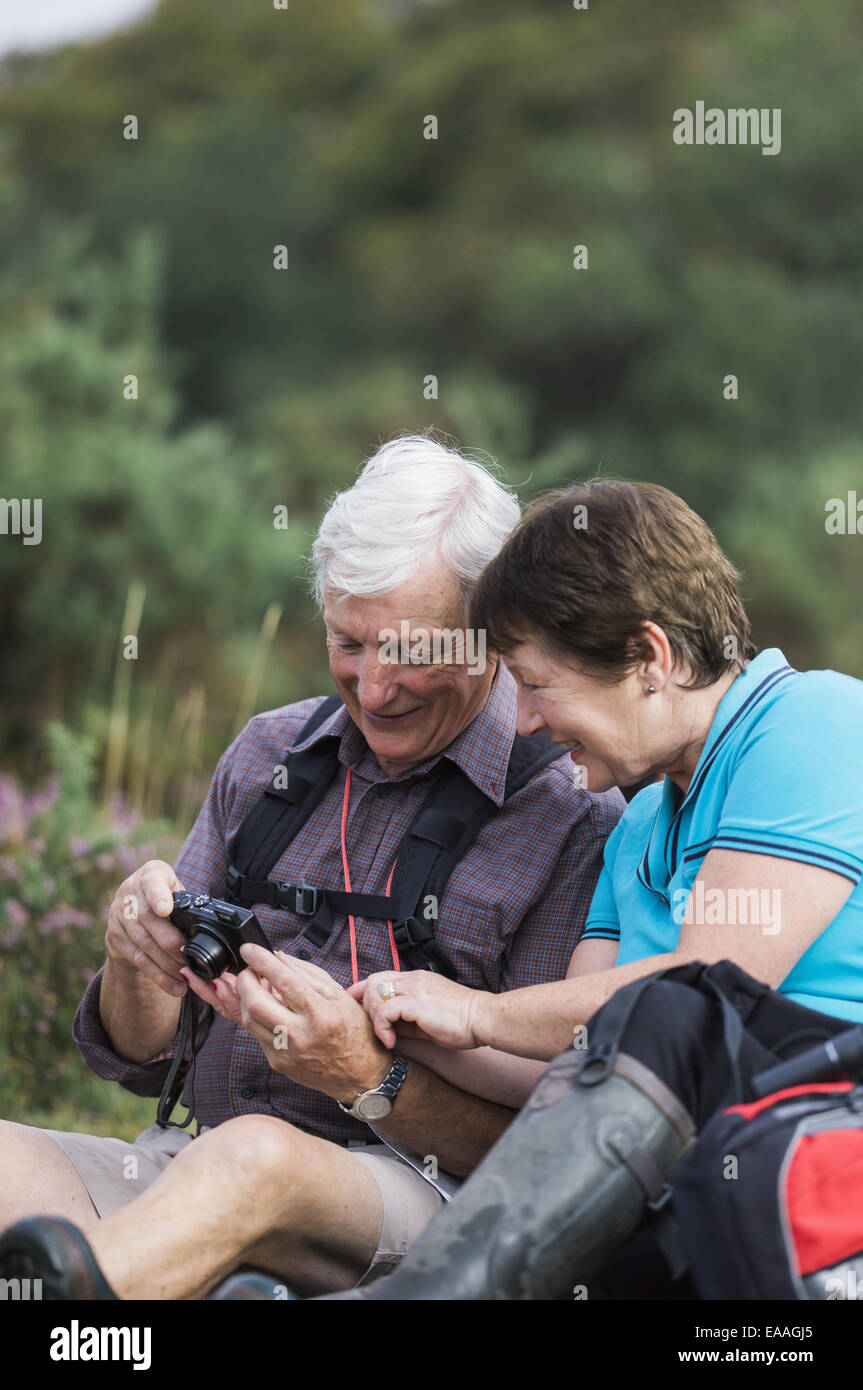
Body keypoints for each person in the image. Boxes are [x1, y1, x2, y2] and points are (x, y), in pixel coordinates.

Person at [0, 437, 623, 1300]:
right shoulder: (268, 754)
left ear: (493, 634)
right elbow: (138, 1057)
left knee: (252, 1160)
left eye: (410, 650)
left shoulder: (572, 811)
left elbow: (550, 1150)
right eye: (348, 643)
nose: (373, 689)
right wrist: (132, 956)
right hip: (189, 1171)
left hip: (424, 1200)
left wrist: (367, 1076)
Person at [287, 475, 863, 1302]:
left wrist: (478, 1009)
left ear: (649, 659)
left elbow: (703, 994)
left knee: (671, 1009)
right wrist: (390, 1015)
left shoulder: (809, 726)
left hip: (821, 1180)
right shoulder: (632, 827)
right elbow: (575, 1060)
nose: (521, 720)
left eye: (535, 684)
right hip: (703, 1208)